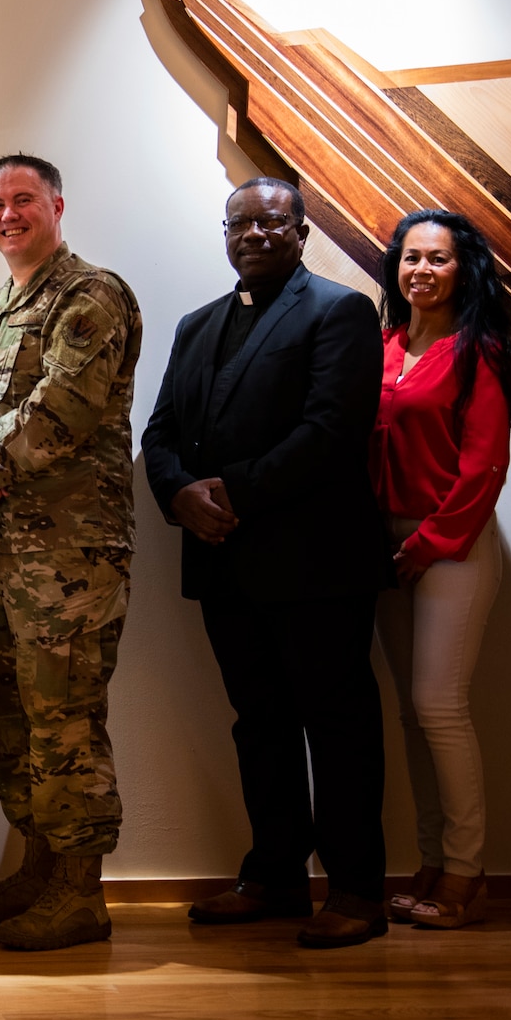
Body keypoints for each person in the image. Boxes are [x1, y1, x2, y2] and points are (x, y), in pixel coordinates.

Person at [140, 176, 391, 949]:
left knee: (338, 726)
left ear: (302, 230)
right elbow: (158, 432)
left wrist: (228, 491)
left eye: (271, 221)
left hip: (316, 563)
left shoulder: (340, 311)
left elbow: (331, 431)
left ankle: (356, 890)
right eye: (239, 222)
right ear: (224, 234)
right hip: (225, 562)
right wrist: (178, 493)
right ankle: (275, 875)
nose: (254, 233)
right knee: (261, 726)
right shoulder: (196, 324)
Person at [0, 154, 143, 951]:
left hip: (74, 555)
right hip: (11, 550)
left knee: (64, 719)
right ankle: (37, 865)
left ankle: (79, 891)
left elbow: (62, 407)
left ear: (57, 204)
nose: (8, 214)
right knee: (9, 716)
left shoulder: (90, 295)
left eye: (23, 198)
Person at [370, 210, 511, 929]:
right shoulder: (383, 344)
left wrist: (426, 543)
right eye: (410, 257)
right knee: (410, 710)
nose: (421, 270)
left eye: (437, 258)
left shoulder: (480, 350)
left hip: (451, 545)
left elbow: (485, 465)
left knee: (440, 704)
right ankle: (430, 860)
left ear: (464, 269)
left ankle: (467, 869)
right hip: (387, 547)